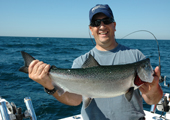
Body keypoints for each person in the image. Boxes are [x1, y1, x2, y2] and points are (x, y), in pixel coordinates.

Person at [28, 4, 163, 120]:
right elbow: (74, 99)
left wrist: (153, 89)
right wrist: (49, 86)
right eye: (96, 23)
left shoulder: (136, 56)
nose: (102, 26)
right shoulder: (80, 61)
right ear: (91, 29)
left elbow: (153, 100)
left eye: (106, 21)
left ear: (114, 25)